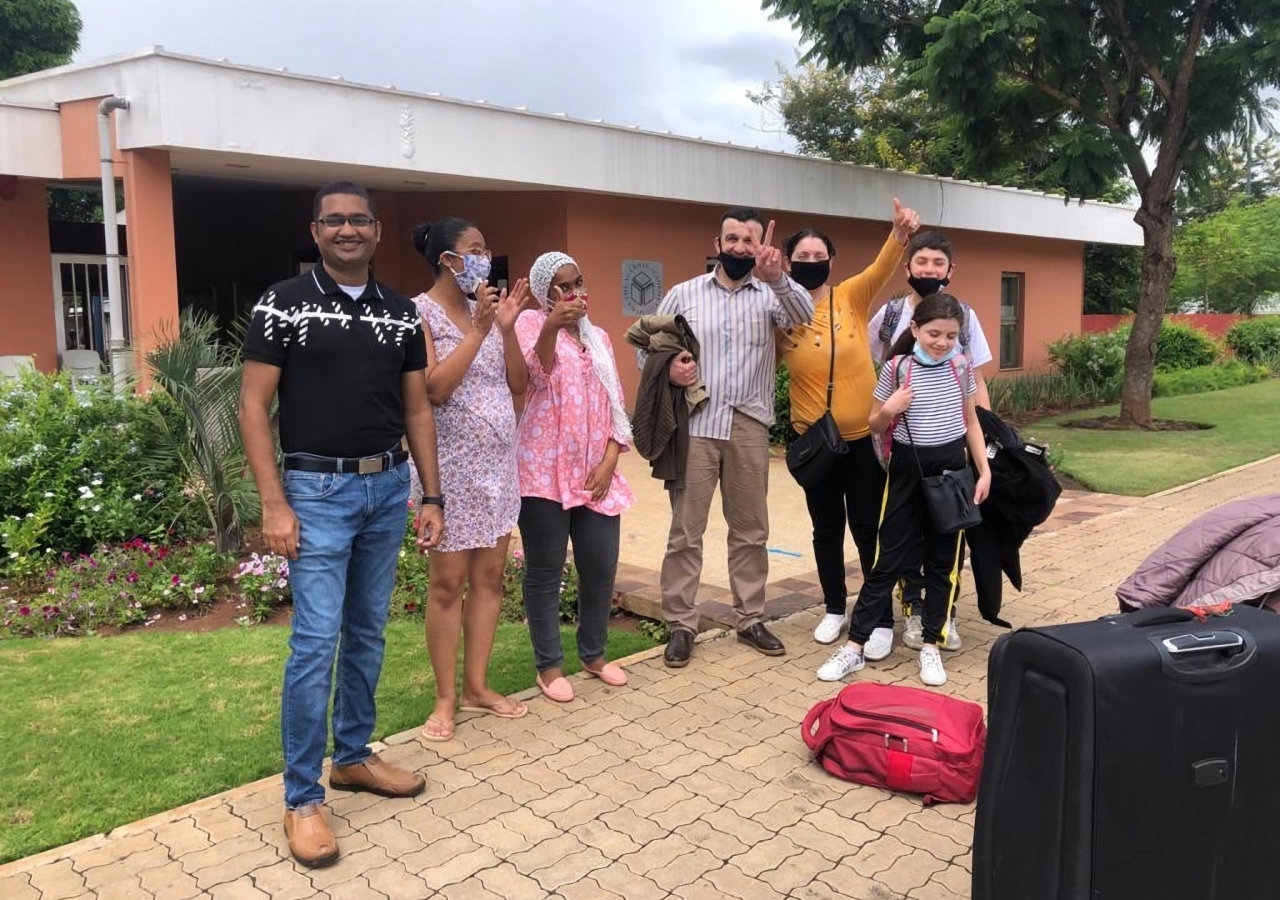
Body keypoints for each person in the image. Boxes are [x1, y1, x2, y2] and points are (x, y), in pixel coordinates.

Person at [239, 181, 445, 868]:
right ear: (317, 230)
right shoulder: (283, 302)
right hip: (315, 489)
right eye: (336, 221)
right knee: (314, 643)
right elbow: (252, 404)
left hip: (386, 488)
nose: (348, 230)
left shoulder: (399, 313)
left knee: (367, 633)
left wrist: (429, 495)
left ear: (379, 232)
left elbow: (417, 408)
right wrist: (275, 503)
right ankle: (302, 798)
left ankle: (352, 756)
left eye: (360, 220)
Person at [648, 209, 815, 667]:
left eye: (749, 239)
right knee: (686, 532)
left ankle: (750, 618)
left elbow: (806, 313)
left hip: (749, 425)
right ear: (716, 242)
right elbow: (650, 345)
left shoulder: (771, 295)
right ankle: (681, 624)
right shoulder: (684, 293)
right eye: (733, 238)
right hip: (697, 424)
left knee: (751, 531)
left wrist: (778, 275)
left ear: (760, 245)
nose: (740, 247)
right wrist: (672, 367)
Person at [817, 293, 992, 688]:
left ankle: (931, 643)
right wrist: (890, 408)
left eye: (951, 335)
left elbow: (972, 423)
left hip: (951, 475)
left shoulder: (961, 368)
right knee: (886, 561)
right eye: (934, 333)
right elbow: (874, 425)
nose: (942, 342)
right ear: (914, 329)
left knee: (943, 565)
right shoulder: (897, 369)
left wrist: (983, 471)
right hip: (906, 474)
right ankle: (855, 646)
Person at [777, 198, 920, 652]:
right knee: (825, 530)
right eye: (803, 259)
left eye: (820, 258)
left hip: (862, 440)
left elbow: (882, 267)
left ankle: (876, 615)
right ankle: (835, 607)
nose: (812, 264)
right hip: (814, 442)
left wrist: (899, 234)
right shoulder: (781, 312)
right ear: (788, 262)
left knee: (865, 527)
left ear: (831, 262)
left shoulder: (851, 297)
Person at [409, 217, 533, 742]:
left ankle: (476, 687)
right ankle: (443, 700)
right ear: (449, 260)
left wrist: (503, 329)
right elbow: (433, 389)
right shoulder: (420, 312)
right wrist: (480, 329)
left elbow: (518, 384)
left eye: (487, 248)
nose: (486, 258)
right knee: (447, 585)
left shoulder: (489, 313)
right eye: (475, 249)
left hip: (497, 472)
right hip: (449, 475)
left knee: (488, 581)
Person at [515, 252, 636, 702]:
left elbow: (615, 404)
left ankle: (594, 653)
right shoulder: (532, 324)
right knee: (545, 571)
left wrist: (609, 462)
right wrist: (551, 324)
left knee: (600, 566)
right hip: (543, 472)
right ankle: (548, 667)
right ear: (548, 294)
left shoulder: (600, 337)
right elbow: (536, 374)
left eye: (578, 282)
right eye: (563, 286)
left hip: (595, 473)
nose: (574, 292)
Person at [867, 230, 995, 652]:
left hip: (949, 452)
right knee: (905, 538)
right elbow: (877, 370)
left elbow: (973, 381)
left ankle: (945, 616)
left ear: (949, 270)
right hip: (902, 452)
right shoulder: (889, 317)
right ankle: (913, 609)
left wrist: (986, 451)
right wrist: (888, 411)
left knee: (947, 536)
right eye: (922, 262)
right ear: (908, 266)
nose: (929, 270)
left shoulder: (965, 318)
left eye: (937, 263)